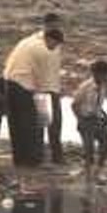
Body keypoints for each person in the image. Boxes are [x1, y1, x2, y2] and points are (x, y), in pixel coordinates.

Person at [3, 27, 65, 167]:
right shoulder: (43, 50)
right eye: (54, 45)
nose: (54, 48)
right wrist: (47, 109)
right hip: (23, 86)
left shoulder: (28, 41)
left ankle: (19, 160)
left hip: (8, 82)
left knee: (16, 125)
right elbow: (45, 84)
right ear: (50, 39)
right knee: (32, 124)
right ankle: (33, 161)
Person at [72, 60, 107, 181]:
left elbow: (98, 104)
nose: (103, 77)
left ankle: (98, 171)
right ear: (95, 73)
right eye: (100, 74)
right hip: (87, 120)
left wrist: (103, 114)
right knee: (89, 149)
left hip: (99, 118)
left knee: (105, 146)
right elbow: (74, 105)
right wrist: (80, 120)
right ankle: (88, 173)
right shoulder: (85, 87)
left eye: (105, 74)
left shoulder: (104, 85)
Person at [35, 13, 64, 164]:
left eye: (57, 25)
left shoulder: (57, 42)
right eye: (53, 25)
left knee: (56, 123)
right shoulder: (37, 42)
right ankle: (38, 157)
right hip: (40, 89)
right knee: (41, 124)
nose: (55, 28)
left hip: (54, 88)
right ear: (46, 25)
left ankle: (57, 157)